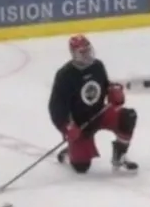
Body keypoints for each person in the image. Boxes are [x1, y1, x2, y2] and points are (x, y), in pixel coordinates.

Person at [48, 34, 138, 174]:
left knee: (128, 116)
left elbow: (104, 86)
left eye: (88, 50)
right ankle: (68, 153)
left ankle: (119, 156)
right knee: (81, 167)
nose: (87, 55)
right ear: (73, 54)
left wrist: (113, 91)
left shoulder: (97, 66)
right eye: (82, 52)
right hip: (79, 125)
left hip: (99, 114)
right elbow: (56, 107)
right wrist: (66, 127)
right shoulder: (65, 75)